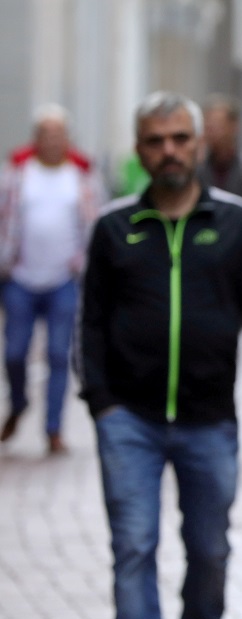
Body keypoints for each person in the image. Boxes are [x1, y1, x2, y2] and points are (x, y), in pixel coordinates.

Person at [76, 91, 242, 619]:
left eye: (179, 138)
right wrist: (102, 402)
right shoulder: (116, 228)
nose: (168, 150)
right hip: (131, 422)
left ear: (199, 146)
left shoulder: (234, 222)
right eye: (155, 140)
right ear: (139, 149)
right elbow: (90, 323)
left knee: (209, 551)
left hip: (208, 422)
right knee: (134, 546)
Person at [0, 103, 107, 453]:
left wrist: (86, 264)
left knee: (59, 355)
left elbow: (95, 224)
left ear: (67, 139)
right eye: (46, 134)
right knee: (15, 352)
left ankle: (53, 428)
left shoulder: (81, 177)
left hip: (64, 278)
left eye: (58, 134)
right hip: (21, 278)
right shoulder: (18, 174)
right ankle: (18, 403)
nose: (52, 141)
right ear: (36, 139)